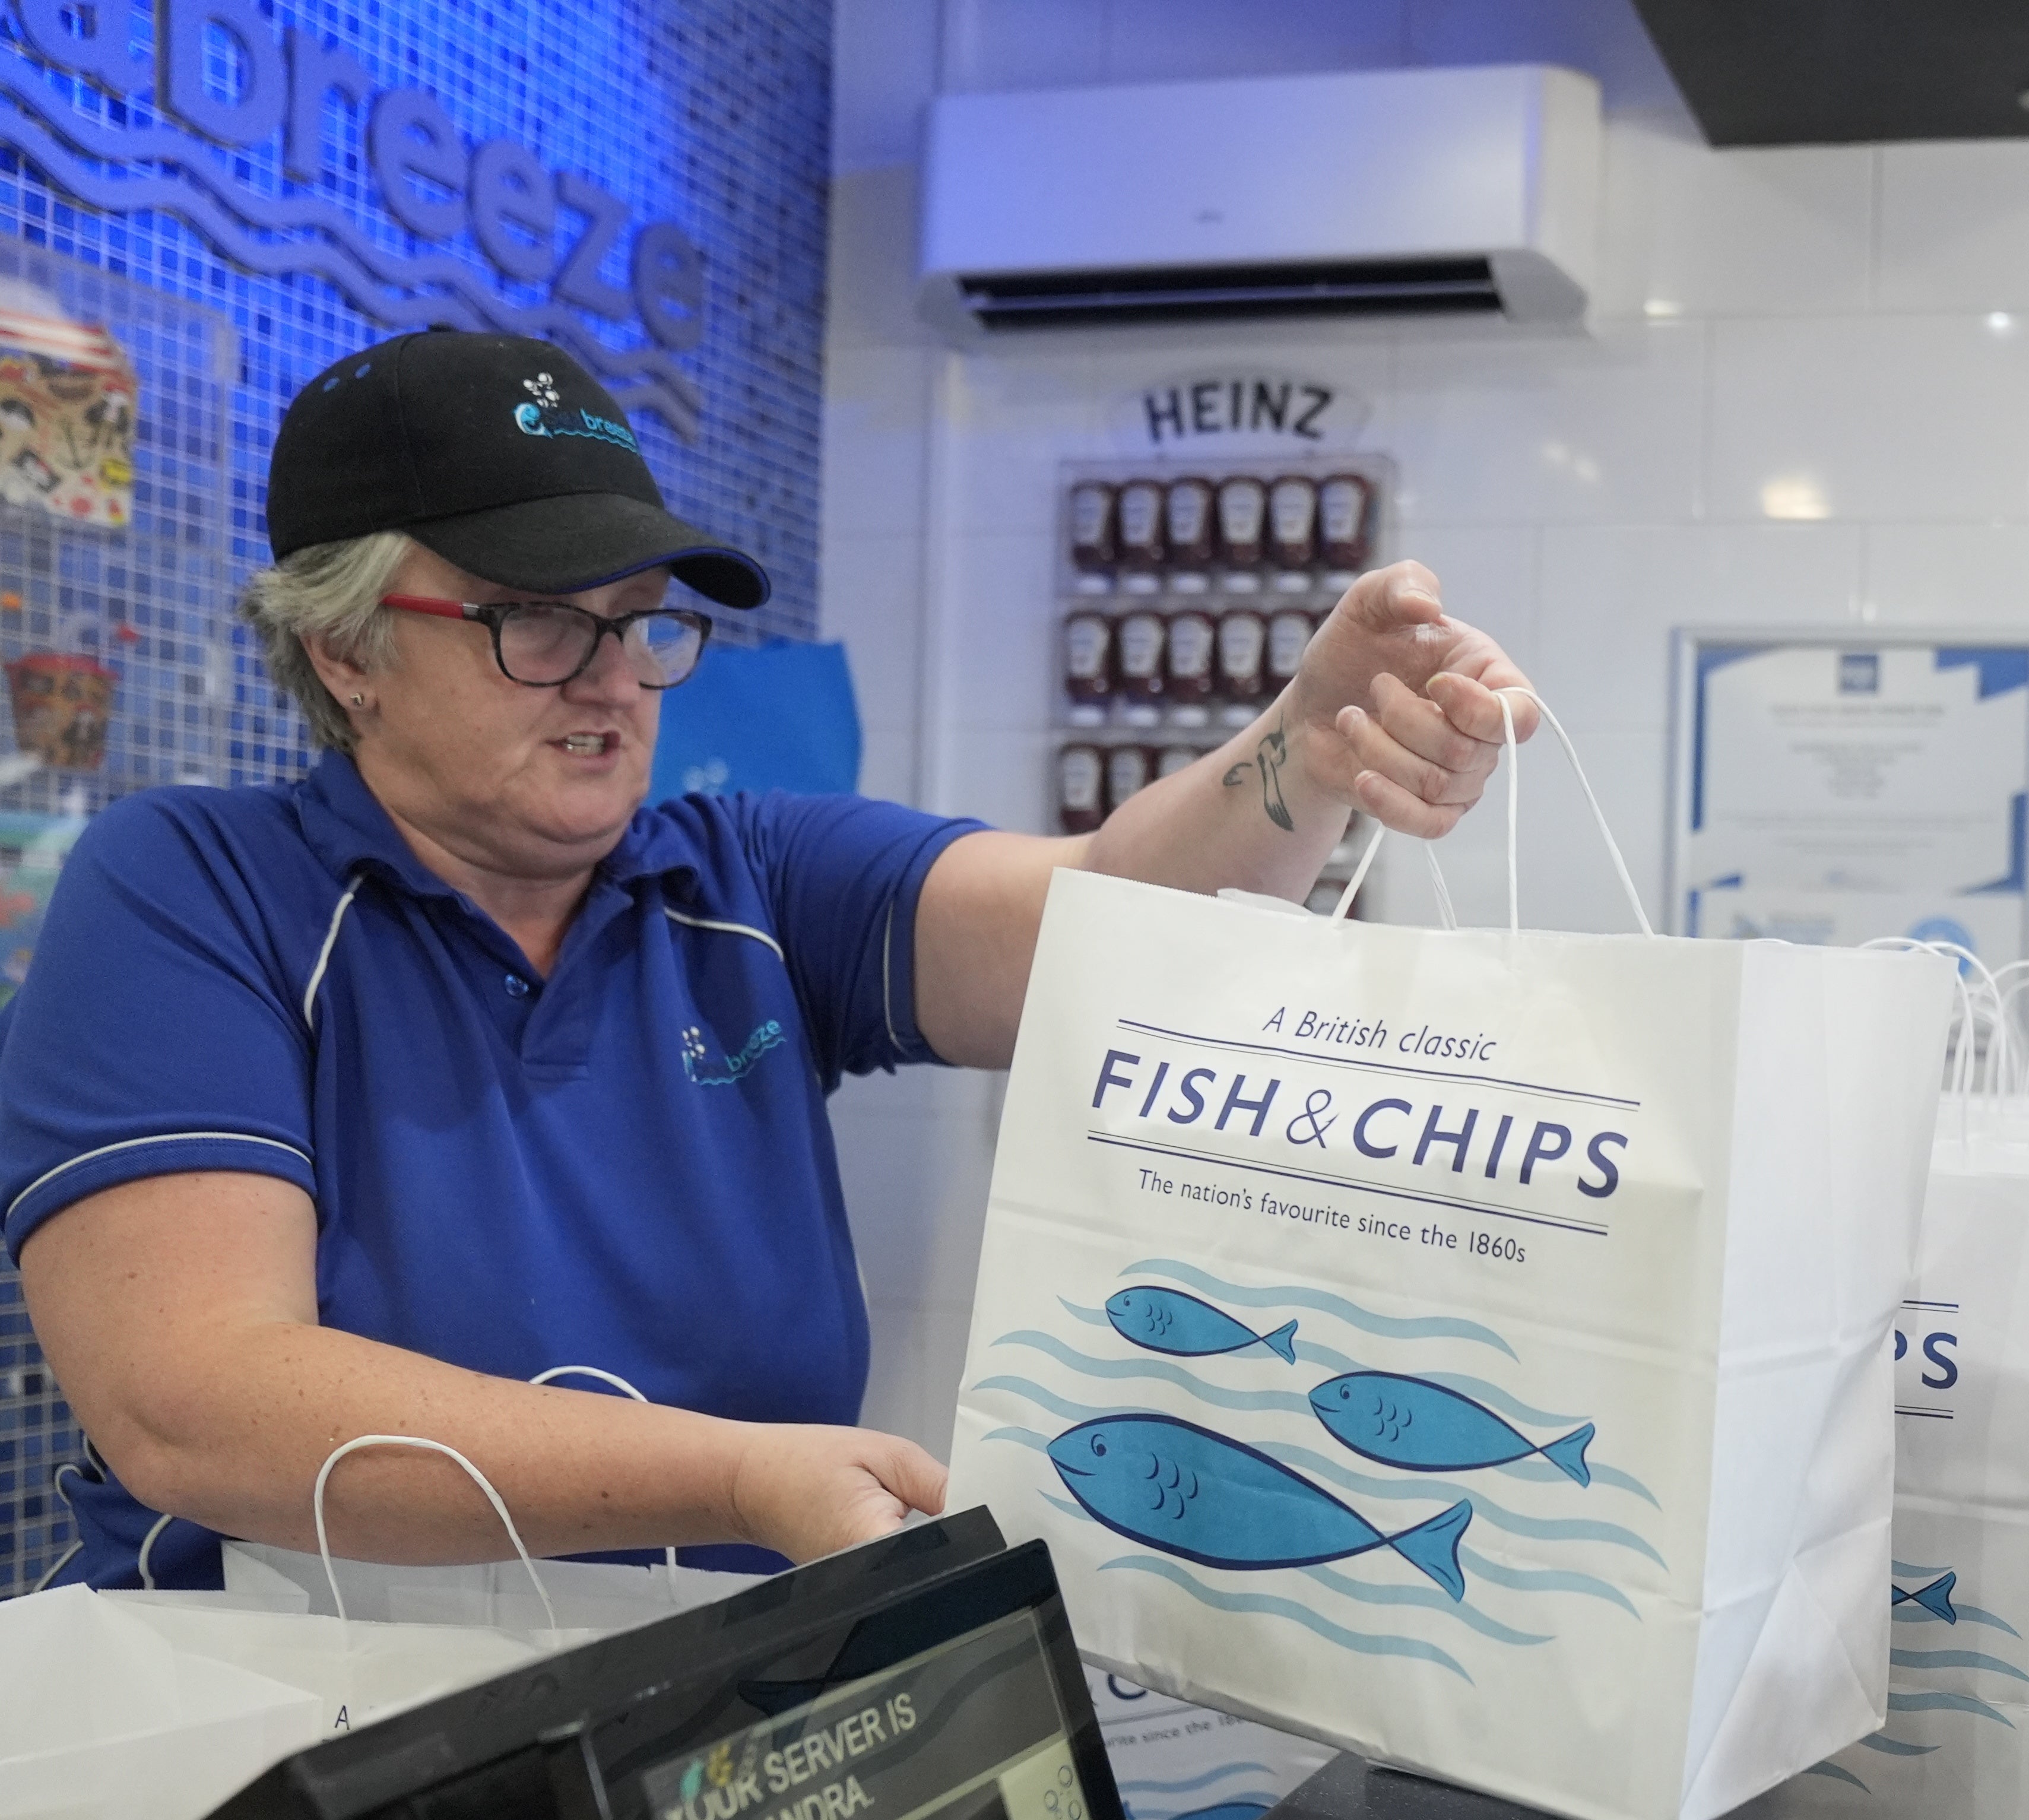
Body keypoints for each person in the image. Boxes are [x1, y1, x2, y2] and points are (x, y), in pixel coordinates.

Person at [1, 331, 1528, 1589]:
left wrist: (1307, 746)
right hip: (267, 1721)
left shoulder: (750, 882)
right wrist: (734, 1472)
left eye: (642, 624)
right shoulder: (194, 887)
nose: (613, 679)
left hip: (680, 1719)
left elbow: (1120, 924)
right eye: (536, 624)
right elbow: (194, 1403)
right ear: (345, 649)